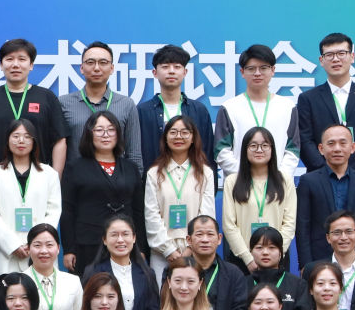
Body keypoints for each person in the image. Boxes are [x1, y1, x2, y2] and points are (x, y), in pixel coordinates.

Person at [61, 112, 146, 276]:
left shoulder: (131, 168)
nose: (105, 135)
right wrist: (69, 249)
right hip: (88, 242)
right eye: (99, 130)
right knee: (91, 287)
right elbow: (68, 210)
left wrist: (140, 247)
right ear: (89, 134)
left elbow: (138, 210)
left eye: (111, 129)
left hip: (123, 242)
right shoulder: (75, 167)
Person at [0, 38, 69, 175]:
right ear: (1, 65)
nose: (15, 65)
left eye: (22, 59)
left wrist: (55, 179)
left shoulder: (46, 97)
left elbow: (59, 141)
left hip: (38, 179)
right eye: (9, 59)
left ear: (31, 65)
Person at [295, 33, 355, 178]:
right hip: (320, 180)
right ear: (321, 60)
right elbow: (304, 139)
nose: (336, 59)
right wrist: (326, 173)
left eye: (341, 53)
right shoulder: (308, 99)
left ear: (352, 56)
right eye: (329, 55)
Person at [214, 44, 301, 182]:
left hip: (277, 184)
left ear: (273, 70)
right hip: (240, 184)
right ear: (242, 72)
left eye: (263, 68)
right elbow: (221, 150)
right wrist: (246, 175)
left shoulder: (287, 107)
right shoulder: (229, 108)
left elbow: (293, 149)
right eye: (251, 69)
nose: (257, 73)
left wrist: (278, 177)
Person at [142, 115, 215, 281]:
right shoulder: (154, 173)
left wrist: (191, 248)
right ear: (165, 138)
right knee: (162, 294)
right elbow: (151, 215)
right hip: (161, 253)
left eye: (184, 132)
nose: (178, 137)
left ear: (193, 138)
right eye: (173, 132)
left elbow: (206, 216)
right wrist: (169, 250)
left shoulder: (206, 173)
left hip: (195, 251)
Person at [0, 120, 61, 277]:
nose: (21, 141)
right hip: (5, 257)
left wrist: (36, 244)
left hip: (40, 255)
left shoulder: (50, 174)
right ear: (7, 141)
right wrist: (12, 245)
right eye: (16, 136)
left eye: (27, 137)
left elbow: (53, 213)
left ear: (34, 141)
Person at [298, 125, 355, 264]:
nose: (337, 149)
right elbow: (302, 226)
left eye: (343, 143)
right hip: (319, 258)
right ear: (321, 149)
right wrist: (305, 264)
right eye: (331, 143)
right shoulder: (308, 181)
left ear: (352, 147)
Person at [221, 126, 297, 265]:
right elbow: (229, 224)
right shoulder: (232, 181)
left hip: (276, 260)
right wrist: (248, 258)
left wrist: (276, 253)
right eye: (253, 145)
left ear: (272, 149)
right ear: (245, 149)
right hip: (242, 260)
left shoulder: (285, 181)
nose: (259, 150)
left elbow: (289, 223)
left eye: (265, 145)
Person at [134, 45, 215, 171]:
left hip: (193, 179)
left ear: (185, 72)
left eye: (177, 67)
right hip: (153, 179)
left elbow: (208, 153)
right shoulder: (141, 111)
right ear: (155, 73)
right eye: (165, 67)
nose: (171, 71)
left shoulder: (199, 110)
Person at [58, 41, 138, 162]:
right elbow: (57, 149)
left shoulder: (127, 104)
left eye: (103, 63)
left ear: (112, 68)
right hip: (76, 173)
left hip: (116, 174)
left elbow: (134, 153)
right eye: (90, 62)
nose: (96, 68)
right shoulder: (63, 103)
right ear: (81, 68)